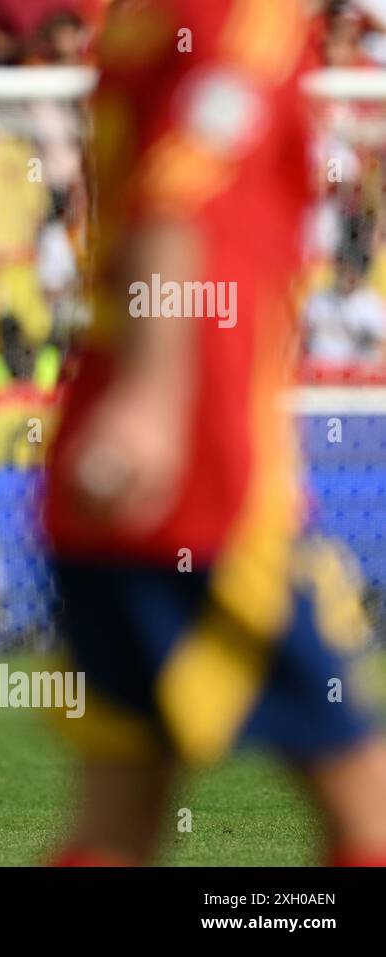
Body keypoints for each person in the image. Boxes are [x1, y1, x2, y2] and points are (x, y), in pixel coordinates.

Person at [41, 0, 386, 866]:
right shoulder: (242, 16)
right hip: (204, 470)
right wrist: (157, 400)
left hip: (107, 447)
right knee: (367, 807)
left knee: (116, 820)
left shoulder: (139, 20)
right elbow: (178, 197)